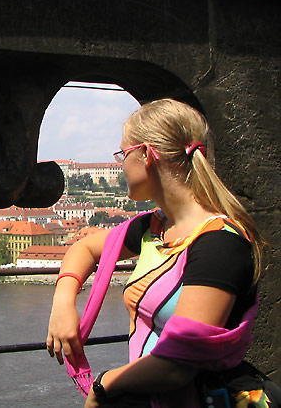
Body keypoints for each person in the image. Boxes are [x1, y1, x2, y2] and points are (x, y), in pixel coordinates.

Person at [46, 99, 269, 408]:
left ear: (147, 155)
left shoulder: (220, 244)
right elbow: (83, 248)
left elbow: (177, 365)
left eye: (123, 154)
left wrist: (103, 385)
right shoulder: (156, 227)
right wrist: (62, 304)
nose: (120, 165)